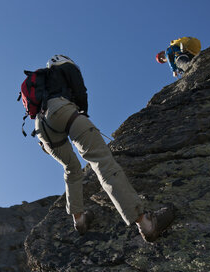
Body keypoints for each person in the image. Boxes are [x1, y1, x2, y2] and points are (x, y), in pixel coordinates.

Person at [32, 54, 175, 242]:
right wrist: (82, 114)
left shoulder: (41, 83)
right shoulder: (65, 66)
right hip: (63, 111)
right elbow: (80, 90)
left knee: (71, 169)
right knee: (102, 162)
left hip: (41, 127)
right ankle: (146, 224)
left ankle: (80, 220)